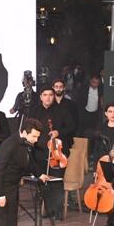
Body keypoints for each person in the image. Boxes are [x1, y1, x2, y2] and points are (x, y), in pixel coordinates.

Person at [29, 88, 74, 218]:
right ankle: (48, 210)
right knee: (44, 181)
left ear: (54, 97)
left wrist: (58, 132)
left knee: (57, 181)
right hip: (39, 151)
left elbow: (72, 127)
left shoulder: (62, 110)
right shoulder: (34, 111)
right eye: (45, 95)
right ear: (41, 97)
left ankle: (57, 211)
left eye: (50, 95)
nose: (48, 98)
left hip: (57, 153)